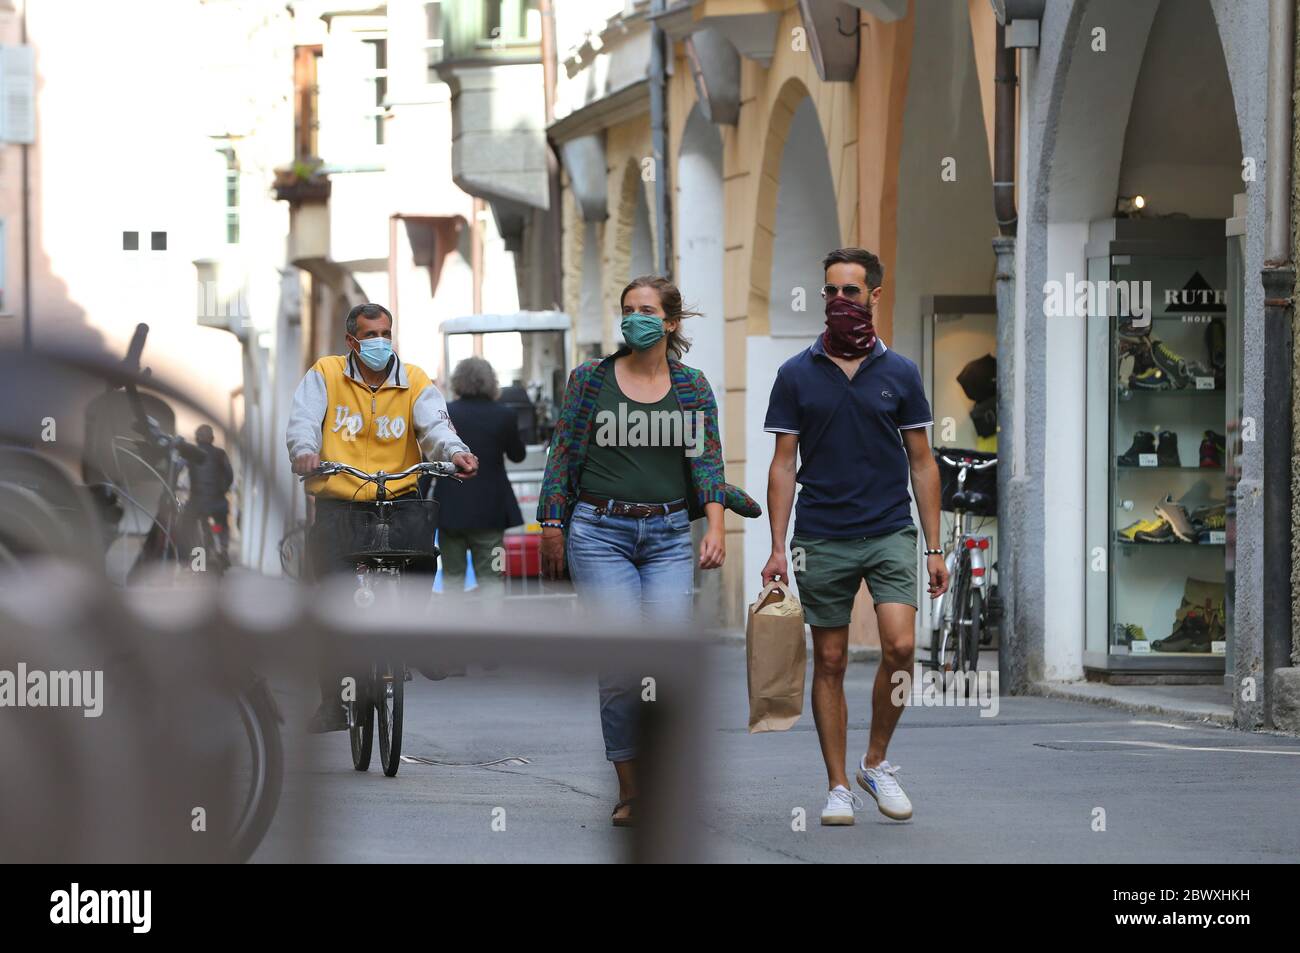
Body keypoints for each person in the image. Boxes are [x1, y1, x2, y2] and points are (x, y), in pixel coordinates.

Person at [538, 275, 759, 827]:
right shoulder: (590, 380)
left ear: (670, 322)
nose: (635, 318)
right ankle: (631, 789)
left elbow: (706, 461)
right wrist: (551, 525)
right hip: (598, 530)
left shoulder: (691, 387)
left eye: (647, 310)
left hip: (665, 538)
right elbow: (563, 453)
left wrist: (714, 529)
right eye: (628, 309)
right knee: (619, 665)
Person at [761, 247, 949, 827]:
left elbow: (922, 462)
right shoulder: (795, 374)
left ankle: (877, 761)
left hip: (891, 528)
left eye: (851, 291)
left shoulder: (901, 373)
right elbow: (783, 464)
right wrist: (776, 547)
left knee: (898, 646)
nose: (840, 301)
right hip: (821, 534)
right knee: (832, 658)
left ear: (874, 295)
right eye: (832, 292)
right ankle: (838, 785)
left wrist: (935, 546)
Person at [285, 302, 479, 732]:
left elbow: (436, 428)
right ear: (351, 341)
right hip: (341, 500)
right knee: (326, 593)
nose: (379, 342)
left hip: (400, 497)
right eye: (369, 335)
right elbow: (303, 421)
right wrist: (304, 451)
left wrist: (456, 453)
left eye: (385, 333)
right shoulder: (326, 373)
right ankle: (335, 701)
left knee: (422, 559)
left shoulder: (414, 380)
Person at [433, 356, 527, 597]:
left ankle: (455, 633)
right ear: (490, 382)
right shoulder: (505, 415)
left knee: (452, 579)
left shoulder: (446, 413)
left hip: (450, 511)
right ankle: (492, 632)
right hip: (491, 514)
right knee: (492, 578)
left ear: (457, 381)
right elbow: (517, 455)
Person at [182, 424, 234, 566]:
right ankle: (223, 550)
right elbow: (229, 475)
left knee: (185, 523)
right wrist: (222, 491)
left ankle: (189, 557)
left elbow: (181, 472)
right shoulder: (221, 453)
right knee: (222, 524)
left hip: (196, 503)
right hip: (218, 502)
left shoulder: (191, 453)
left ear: (196, 438)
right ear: (212, 439)